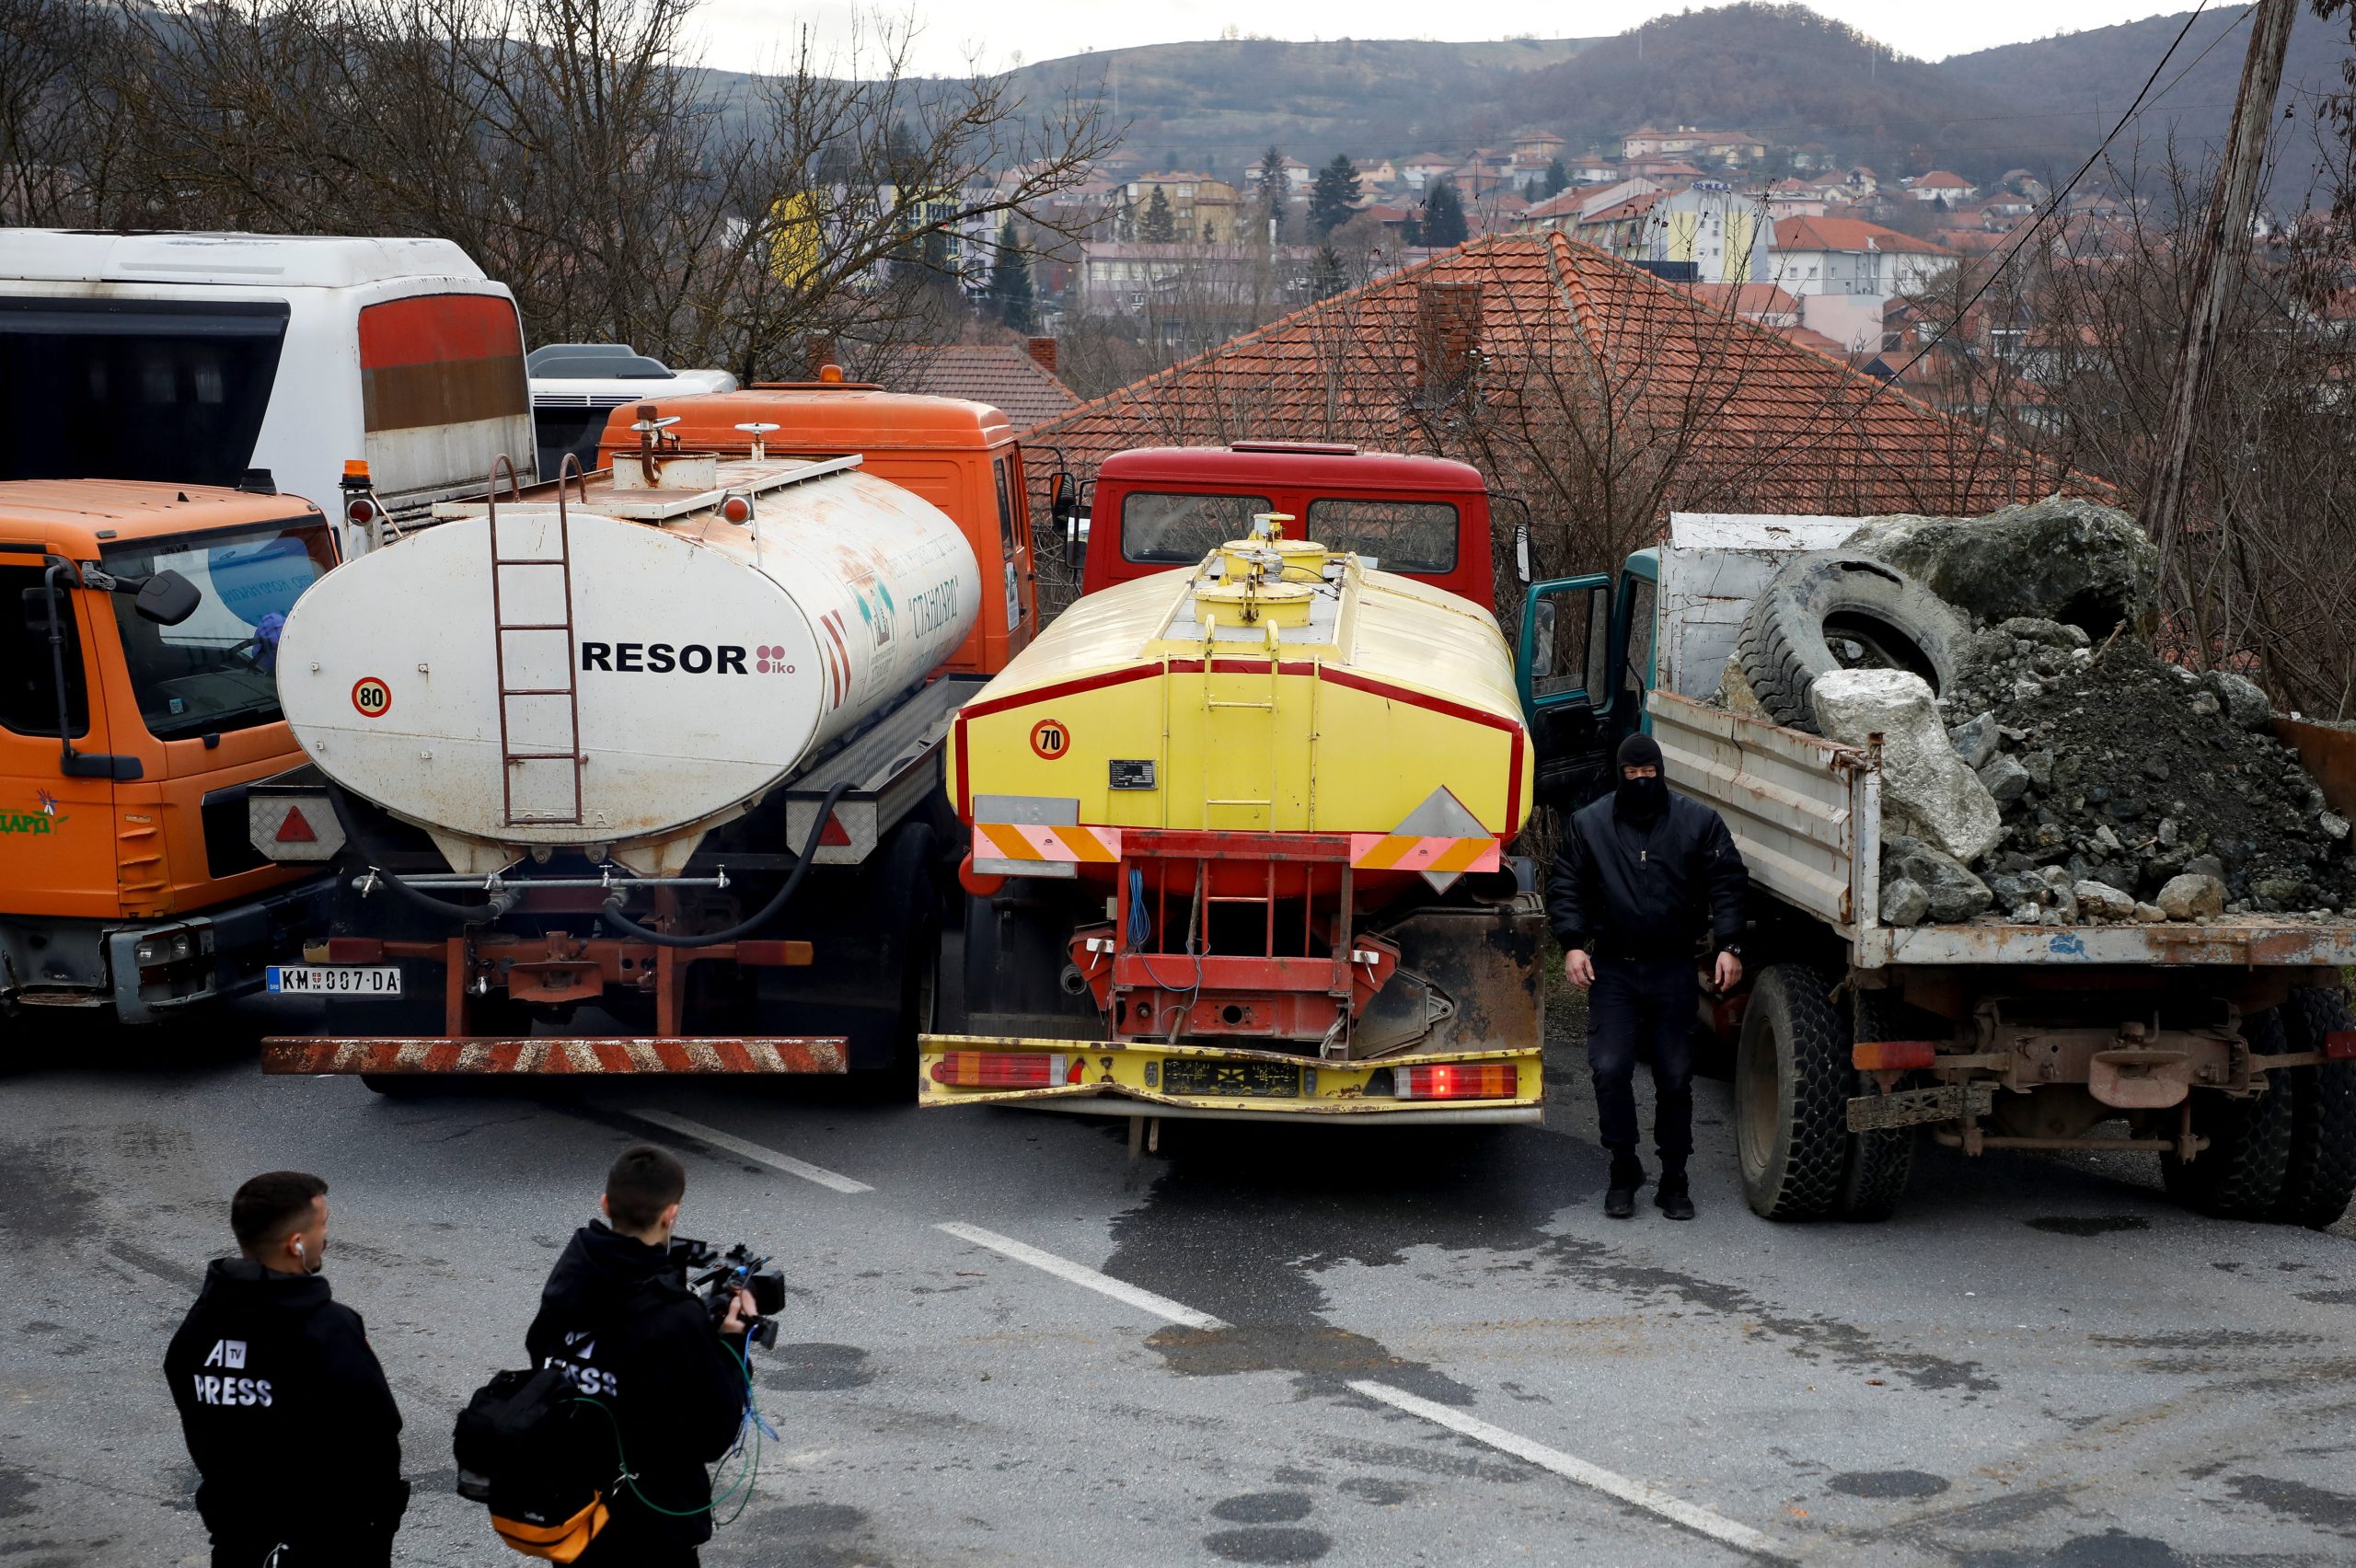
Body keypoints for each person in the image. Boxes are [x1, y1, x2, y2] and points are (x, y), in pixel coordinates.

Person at [1549, 732, 1749, 1221]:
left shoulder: (1697, 822)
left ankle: (1675, 1175)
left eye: (1650, 774)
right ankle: (1623, 1167)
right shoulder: (1589, 824)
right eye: (1633, 776)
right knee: (1611, 1067)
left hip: (1673, 966)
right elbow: (1566, 884)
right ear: (1620, 775)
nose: (1642, 783)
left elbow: (1728, 882)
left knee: (1676, 1075)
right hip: (1613, 967)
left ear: (1662, 771)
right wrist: (1572, 944)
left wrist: (1730, 945)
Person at [527, 1144, 756, 1567]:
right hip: (651, 1525)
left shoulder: (572, 1275)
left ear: (605, 1204)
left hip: (573, 1512)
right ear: (671, 1214)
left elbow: (540, 1356)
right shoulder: (676, 1318)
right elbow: (713, 1434)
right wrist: (730, 1343)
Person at [165, 1170, 408, 1566]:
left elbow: (195, 1409)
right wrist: (380, 1521)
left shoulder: (198, 1326)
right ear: (296, 1244)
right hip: (329, 1542)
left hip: (237, 1536)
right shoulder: (329, 1328)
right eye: (322, 1225)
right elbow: (375, 1434)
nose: (326, 1237)